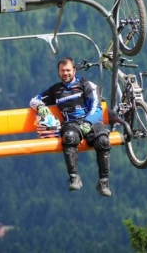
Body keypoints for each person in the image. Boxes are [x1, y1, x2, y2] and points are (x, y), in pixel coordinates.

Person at [30, 57, 111, 197]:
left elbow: (96, 107)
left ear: (74, 70)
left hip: (93, 122)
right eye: (62, 71)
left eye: (68, 70)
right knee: (69, 137)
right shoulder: (55, 90)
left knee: (103, 141)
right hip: (72, 123)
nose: (65, 73)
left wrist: (88, 122)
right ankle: (74, 177)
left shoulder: (86, 84)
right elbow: (34, 100)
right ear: (58, 72)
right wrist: (40, 106)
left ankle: (104, 182)